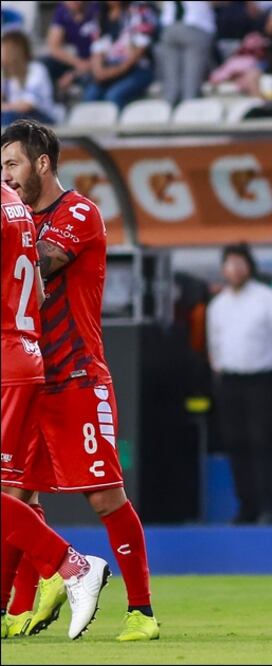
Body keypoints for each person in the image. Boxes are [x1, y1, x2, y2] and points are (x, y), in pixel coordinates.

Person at [0, 119, 159, 641]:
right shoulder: (16, 217)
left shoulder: (79, 213)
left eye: (12, 165)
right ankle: (20, 603)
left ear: (42, 163)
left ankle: (141, 612)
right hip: (28, 376)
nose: (6, 176)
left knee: (105, 496)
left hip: (75, 376)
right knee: (15, 493)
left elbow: (40, 265)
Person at [0, 182, 110, 642]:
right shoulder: (14, 206)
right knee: (11, 489)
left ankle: (71, 565)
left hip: (6, 357)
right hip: (23, 352)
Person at [206, 243, 272, 525]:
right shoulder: (217, 305)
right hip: (230, 382)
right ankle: (246, 507)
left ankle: (268, 507)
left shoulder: (269, 299)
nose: (234, 269)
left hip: (262, 380)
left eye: (239, 262)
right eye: (229, 263)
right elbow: (214, 344)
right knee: (235, 443)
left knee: (262, 442)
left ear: (249, 266)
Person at [83, 0, 158, 110]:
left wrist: (116, 70)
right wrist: (99, 72)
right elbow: (97, 51)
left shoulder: (139, 10)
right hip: (108, 70)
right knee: (91, 95)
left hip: (137, 69)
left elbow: (140, 49)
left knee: (114, 95)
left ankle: (120, 126)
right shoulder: (100, 16)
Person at [155, 1, 216, 107]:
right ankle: (186, 117)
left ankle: (170, 113)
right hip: (195, 25)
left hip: (169, 27)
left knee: (171, 85)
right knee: (191, 84)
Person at [40, 1, 100, 102]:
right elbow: (53, 46)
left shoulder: (97, 8)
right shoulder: (63, 10)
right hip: (78, 61)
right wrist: (76, 63)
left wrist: (74, 74)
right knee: (43, 64)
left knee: (89, 87)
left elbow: (106, 48)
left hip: (97, 62)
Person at [1, 31, 62, 125]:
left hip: (43, 118)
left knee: (9, 117)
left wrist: (5, 107)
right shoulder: (6, 74)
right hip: (18, 117)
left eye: (4, 49)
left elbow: (27, 106)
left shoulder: (36, 69)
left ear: (15, 51)